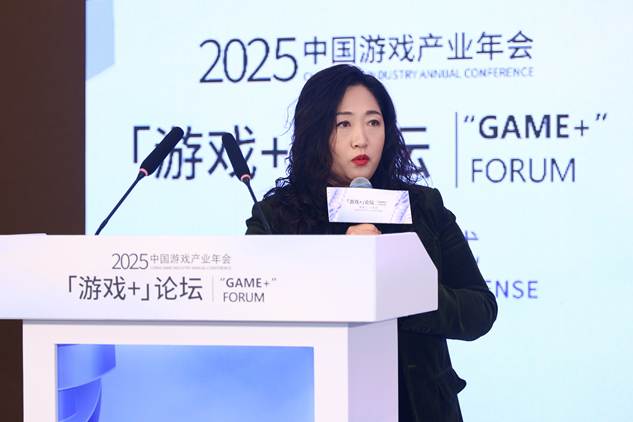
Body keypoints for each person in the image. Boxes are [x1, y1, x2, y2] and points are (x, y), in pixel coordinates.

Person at [246, 64, 497, 422]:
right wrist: (337, 263)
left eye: (373, 122)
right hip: (315, 405)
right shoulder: (277, 217)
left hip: (419, 409)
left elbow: (480, 310)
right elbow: (255, 311)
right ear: (314, 131)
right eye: (343, 124)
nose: (361, 139)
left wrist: (401, 289)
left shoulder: (422, 207)